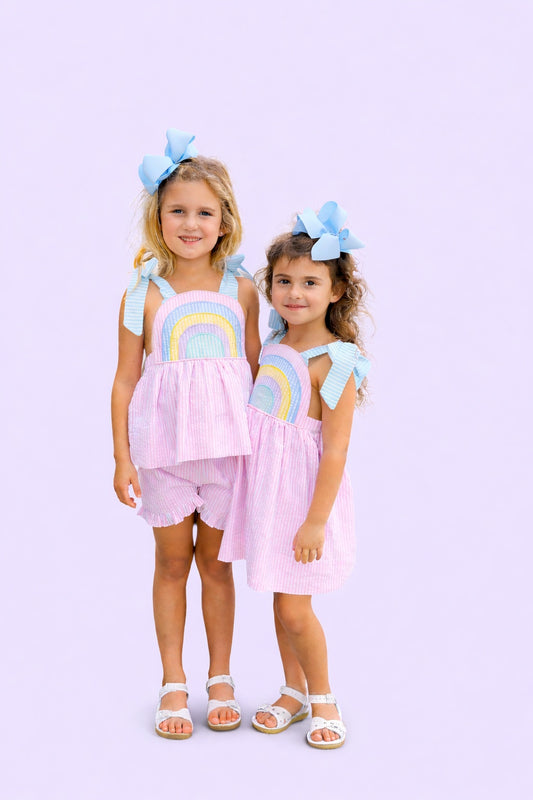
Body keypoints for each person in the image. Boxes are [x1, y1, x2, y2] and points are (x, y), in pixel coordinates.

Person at [111, 128, 261, 739]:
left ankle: (220, 675)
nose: (191, 223)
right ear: (158, 217)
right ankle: (173, 679)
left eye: (204, 212)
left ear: (225, 221)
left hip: (228, 453)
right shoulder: (141, 292)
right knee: (172, 563)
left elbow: (256, 370)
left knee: (217, 568)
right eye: (178, 211)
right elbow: (125, 380)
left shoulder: (243, 289)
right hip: (164, 453)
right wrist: (122, 457)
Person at [219, 201, 370, 749]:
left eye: (310, 282)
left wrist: (315, 522)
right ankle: (293, 689)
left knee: (293, 605)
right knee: (278, 597)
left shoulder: (337, 361)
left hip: (305, 500)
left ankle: (323, 697)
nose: (294, 293)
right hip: (268, 494)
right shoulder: (276, 345)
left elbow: (334, 451)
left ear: (336, 291)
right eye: (283, 280)